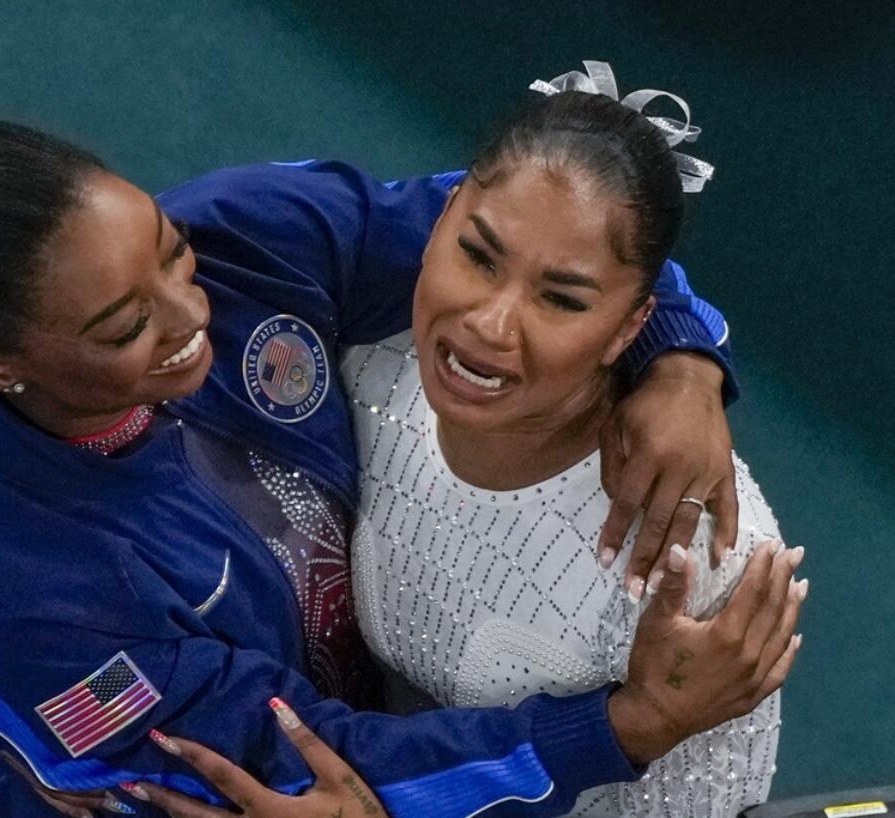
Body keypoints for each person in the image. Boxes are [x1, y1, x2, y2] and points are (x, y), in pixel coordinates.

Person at [0, 79, 797, 818]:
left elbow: (515, 237)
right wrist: (627, 724)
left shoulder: (246, 234)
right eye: (123, 328)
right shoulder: (34, 596)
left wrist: (677, 354)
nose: (189, 314)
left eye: (169, 256)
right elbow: (320, 770)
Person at [338, 64, 798, 816]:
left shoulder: (697, 547)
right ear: (444, 213)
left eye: (560, 299)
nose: (490, 326)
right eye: (478, 257)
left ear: (629, 326)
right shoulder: (366, 364)